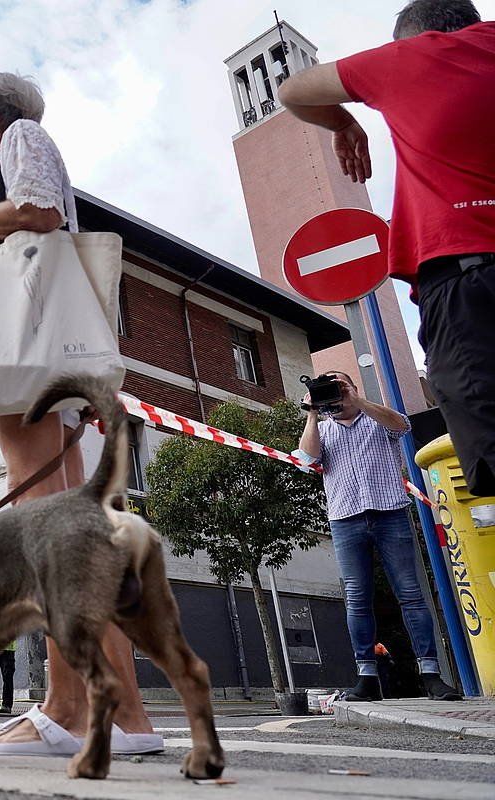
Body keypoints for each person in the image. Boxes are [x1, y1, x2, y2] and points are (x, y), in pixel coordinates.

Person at [0, 72, 162, 757]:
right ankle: (126, 717)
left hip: (25, 358)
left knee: (49, 531)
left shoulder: (20, 137)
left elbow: (40, 210)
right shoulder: (13, 148)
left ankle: (67, 707)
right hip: (52, 358)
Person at [278, 1, 495, 498]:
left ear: (413, 39)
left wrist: (342, 124)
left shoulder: (414, 56)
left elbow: (294, 89)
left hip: (466, 281)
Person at [299, 371, 461, 701]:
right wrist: (313, 412)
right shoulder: (324, 429)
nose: (337, 393)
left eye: (341, 386)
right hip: (345, 519)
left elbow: (402, 425)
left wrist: (355, 400)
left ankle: (430, 674)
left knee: (411, 594)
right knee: (357, 600)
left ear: (354, 388)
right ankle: (367, 677)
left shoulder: (376, 419)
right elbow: (306, 460)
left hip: (390, 514)